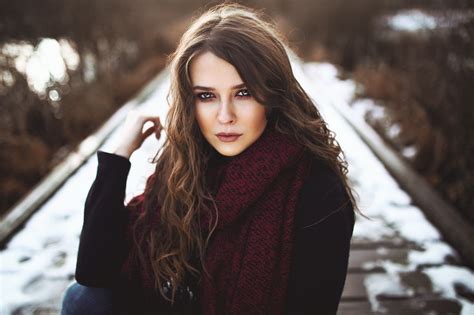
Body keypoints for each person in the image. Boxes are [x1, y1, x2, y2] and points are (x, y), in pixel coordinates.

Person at [61, 2, 358, 314]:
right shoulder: (185, 166)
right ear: (190, 101)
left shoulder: (317, 191)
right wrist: (116, 157)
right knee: (82, 298)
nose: (225, 116)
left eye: (243, 93)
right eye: (206, 96)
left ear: (272, 95)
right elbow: (94, 271)